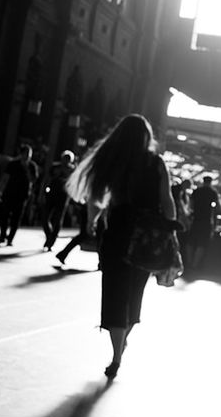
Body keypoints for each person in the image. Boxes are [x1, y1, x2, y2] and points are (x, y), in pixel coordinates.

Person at [65, 114, 176, 380]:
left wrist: (91, 223)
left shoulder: (113, 160)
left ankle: (116, 355)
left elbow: (94, 196)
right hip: (147, 236)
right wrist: (171, 233)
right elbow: (167, 200)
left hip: (117, 232)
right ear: (147, 138)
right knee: (135, 292)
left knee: (115, 293)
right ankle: (122, 342)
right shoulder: (156, 163)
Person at [0, 144, 39, 245]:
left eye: (29, 154)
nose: (28, 156)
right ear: (21, 154)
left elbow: (34, 180)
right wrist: (0, 191)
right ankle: (2, 236)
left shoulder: (32, 166)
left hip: (22, 196)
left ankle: (10, 239)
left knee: (16, 218)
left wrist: (27, 170)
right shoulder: (13, 164)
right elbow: (5, 178)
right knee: (5, 216)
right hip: (9, 193)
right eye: (26, 153)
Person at [42, 150, 75, 250]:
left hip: (63, 196)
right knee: (45, 217)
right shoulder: (55, 167)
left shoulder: (72, 170)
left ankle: (51, 241)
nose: (65, 161)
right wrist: (43, 192)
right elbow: (47, 179)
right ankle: (49, 236)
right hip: (51, 194)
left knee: (58, 219)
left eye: (68, 159)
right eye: (64, 158)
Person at [187, 174, 218, 272]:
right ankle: (194, 264)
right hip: (206, 221)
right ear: (210, 182)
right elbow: (216, 207)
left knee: (190, 242)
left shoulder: (196, 191)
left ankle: (188, 262)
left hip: (195, 219)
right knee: (201, 243)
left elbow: (190, 205)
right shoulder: (213, 193)